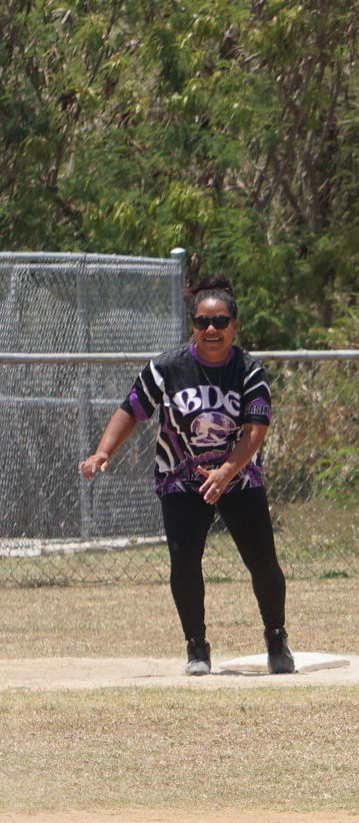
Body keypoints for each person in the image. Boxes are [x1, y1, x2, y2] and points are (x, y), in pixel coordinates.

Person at [77, 273, 294, 676]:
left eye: (220, 322)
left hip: (238, 477)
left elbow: (254, 433)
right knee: (184, 561)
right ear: (193, 325)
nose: (211, 330)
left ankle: (276, 638)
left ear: (234, 325)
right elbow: (131, 409)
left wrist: (227, 472)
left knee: (262, 561)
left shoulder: (249, 371)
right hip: (181, 477)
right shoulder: (167, 367)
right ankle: (196, 647)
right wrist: (103, 451)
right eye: (202, 323)